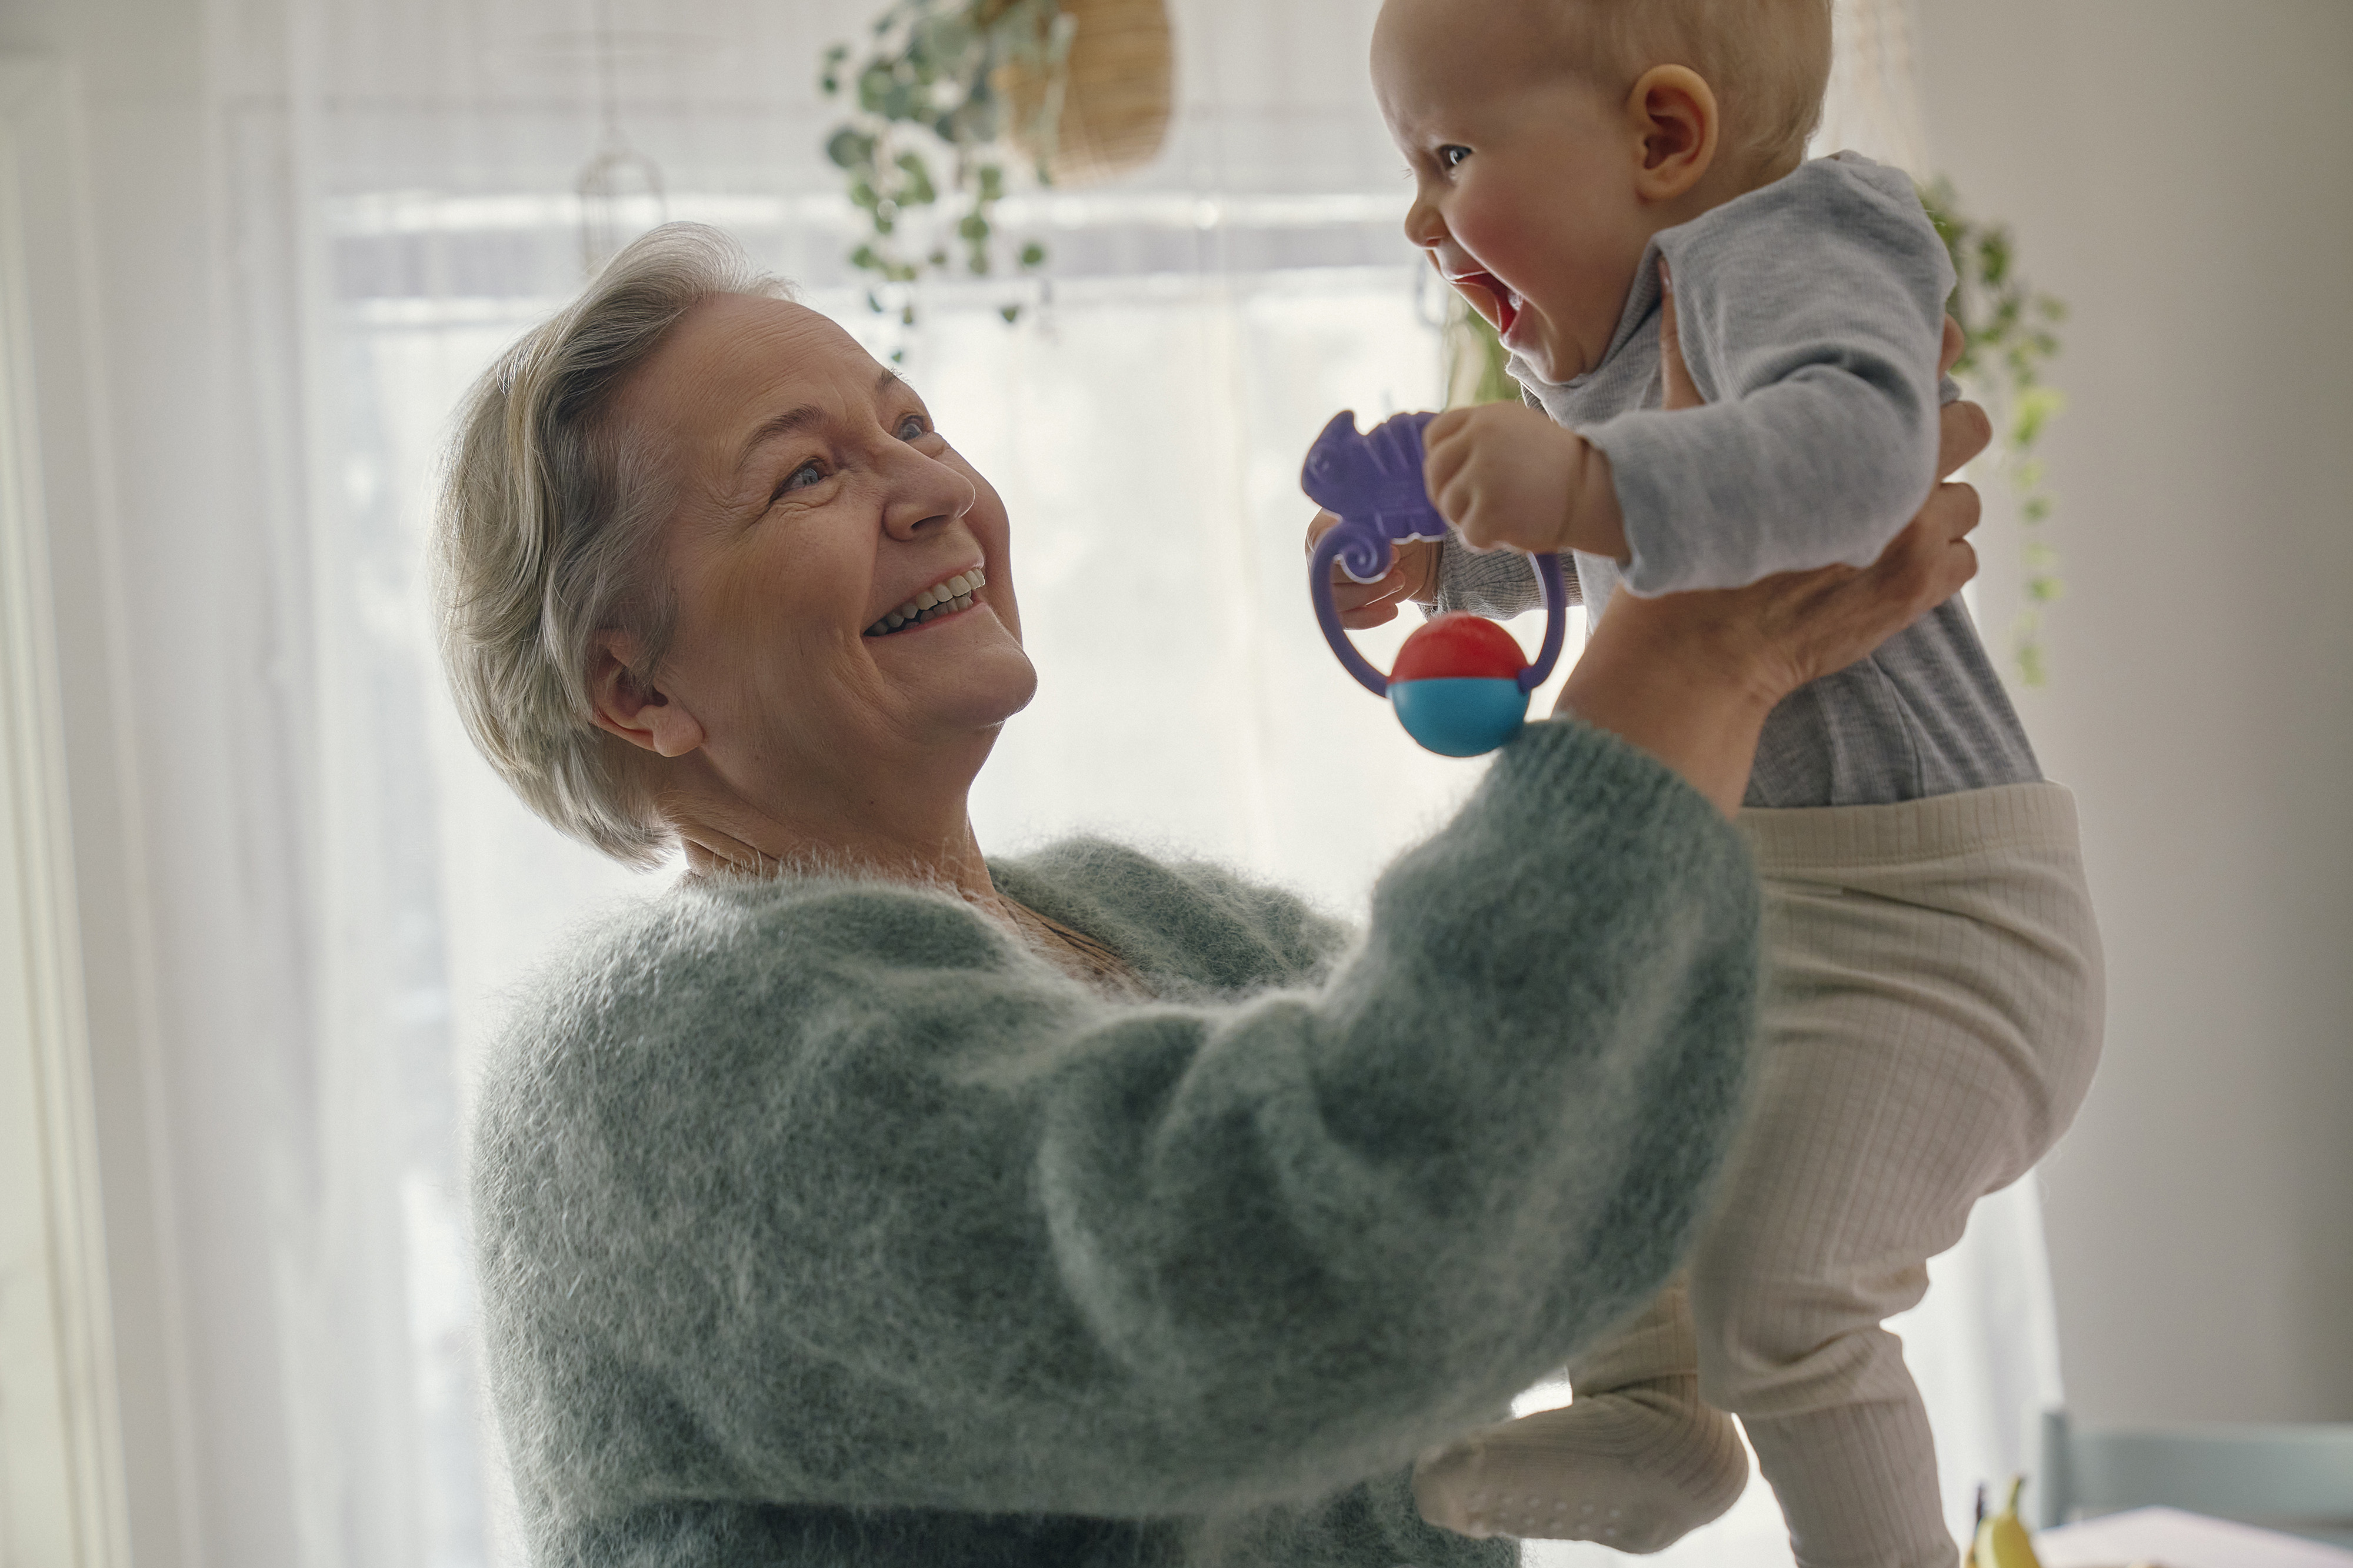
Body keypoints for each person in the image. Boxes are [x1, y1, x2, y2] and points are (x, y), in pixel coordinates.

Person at [439, 222, 1989, 1568]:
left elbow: (1555, 1126)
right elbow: (1316, 1269)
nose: (925, 488)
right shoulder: (646, 1077)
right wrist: (1694, 655)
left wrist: (1738, 553)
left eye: (910, 420)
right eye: (806, 473)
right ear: (634, 689)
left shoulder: (1143, 917)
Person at [1347, 2, 2106, 1564]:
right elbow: (1634, 535)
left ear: (1666, 138)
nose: (1420, 215)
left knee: (1785, 1296)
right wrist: (1436, 552)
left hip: (1939, 920)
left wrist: (1584, 482)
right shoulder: (1622, 354)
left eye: (1452, 154)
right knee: (1596, 1116)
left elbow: (1855, 457)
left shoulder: (1797, 243)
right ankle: (1646, 1402)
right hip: (1756, 909)